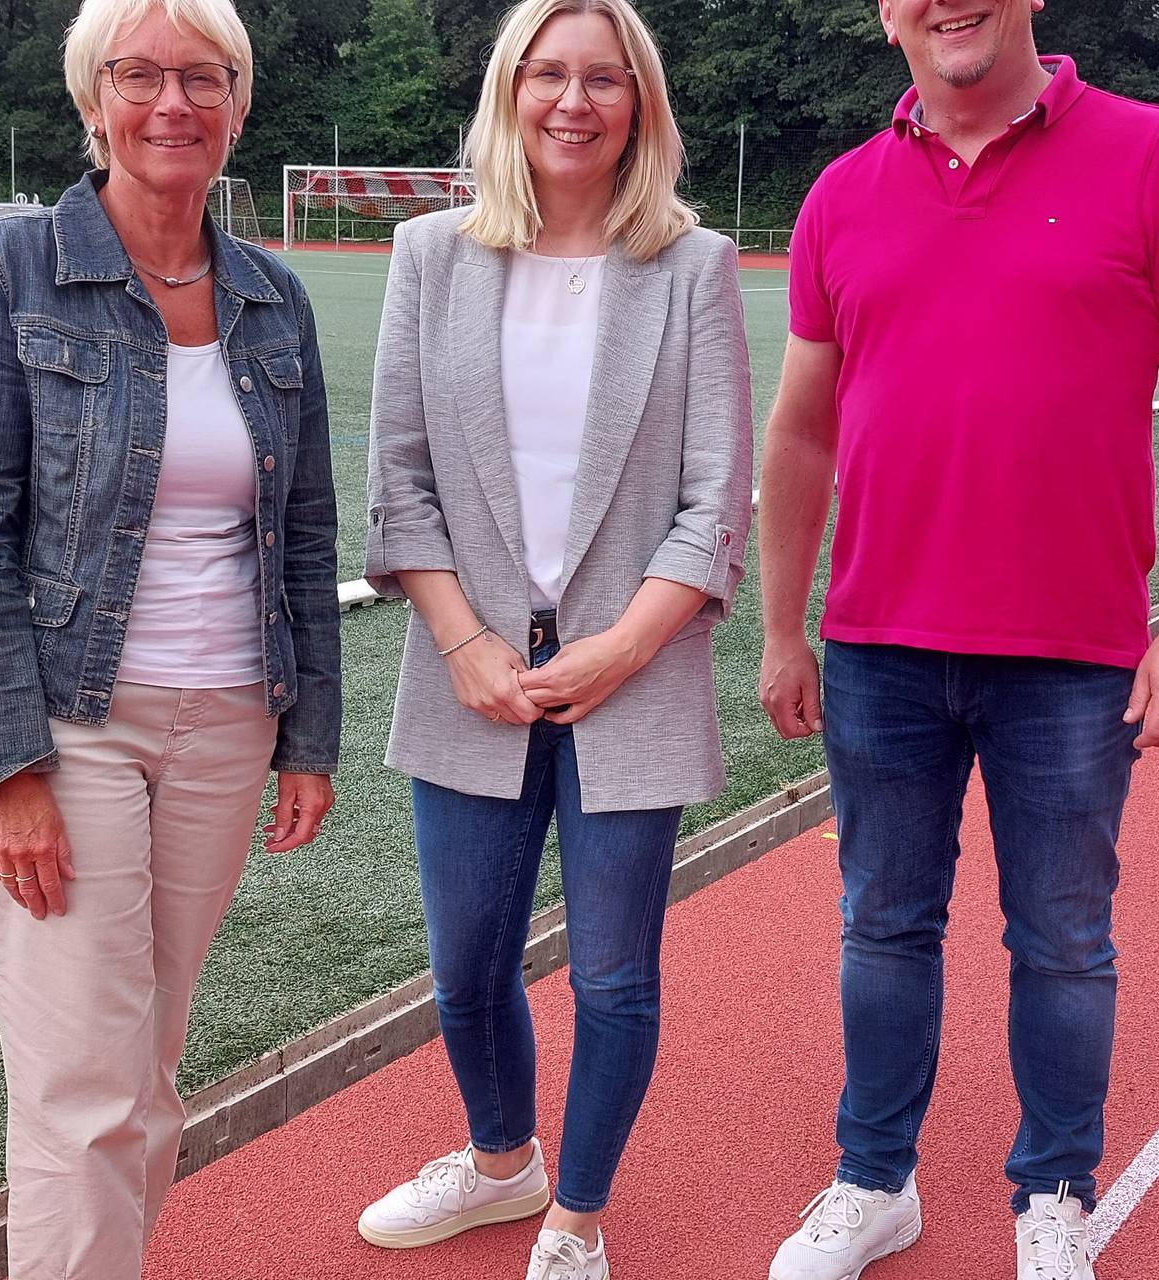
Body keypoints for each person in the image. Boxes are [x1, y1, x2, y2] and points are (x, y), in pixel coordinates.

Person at [751, 3, 1159, 1278]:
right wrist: (780, 625)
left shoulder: (1152, 154)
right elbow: (802, 430)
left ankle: (1052, 1190)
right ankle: (874, 1179)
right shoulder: (841, 192)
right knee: (882, 924)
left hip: (1073, 653)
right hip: (878, 642)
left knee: (1065, 939)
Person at [0, 0, 340, 1271]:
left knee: (144, 1071)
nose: (172, 103)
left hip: (227, 718)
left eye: (202, 77)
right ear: (92, 98)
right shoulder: (6, 268)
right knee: (82, 1090)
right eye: (140, 75)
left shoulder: (273, 298)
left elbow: (305, 530)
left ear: (239, 102)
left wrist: (305, 733)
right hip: (71, 722)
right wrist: (5, 768)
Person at [352, 1, 753, 1276]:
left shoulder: (691, 267)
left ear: (640, 104)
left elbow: (713, 499)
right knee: (466, 967)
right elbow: (398, 480)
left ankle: (576, 1215)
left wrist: (624, 647)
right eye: (549, 75)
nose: (574, 103)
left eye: (604, 79)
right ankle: (499, 1161)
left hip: (629, 677)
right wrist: (465, 639)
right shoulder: (431, 255)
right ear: (509, 92)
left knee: (615, 980)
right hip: (469, 676)